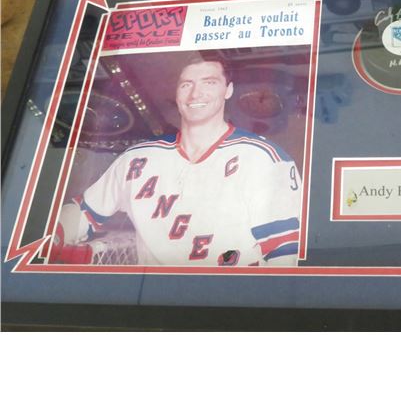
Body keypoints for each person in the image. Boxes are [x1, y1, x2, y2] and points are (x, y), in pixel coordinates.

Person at [52, 54, 302, 267]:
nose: (195, 93)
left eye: (209, 82)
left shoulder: (263, 158)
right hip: (150, 300)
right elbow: (85, 213)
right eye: (186, 85)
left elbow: (283, 253)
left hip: (229, 303)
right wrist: (52, 238)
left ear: (228, 90)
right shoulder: (137, 159)